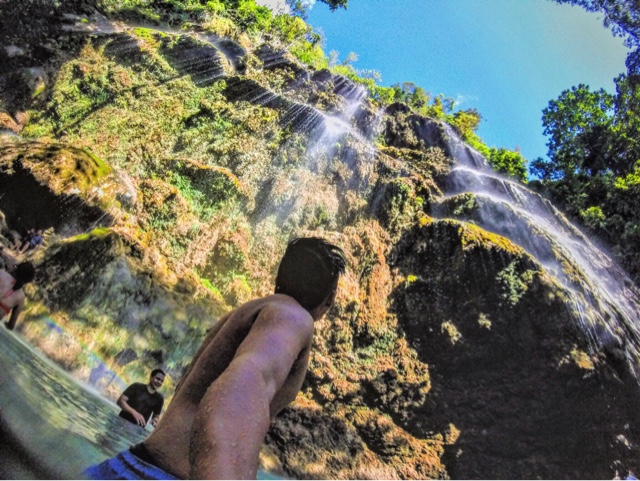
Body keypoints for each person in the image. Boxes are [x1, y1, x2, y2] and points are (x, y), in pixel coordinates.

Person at [85, 237, 346, 480]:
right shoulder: (294, 318)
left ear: (281, 276)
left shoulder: (248, 312)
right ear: (331, 298)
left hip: (131, 464)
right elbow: (243, 383)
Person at [0, 261, 35, 330]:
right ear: (27, 281)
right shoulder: (21, 298)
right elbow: (11, 325)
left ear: (16, 269)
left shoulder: (1, 273)